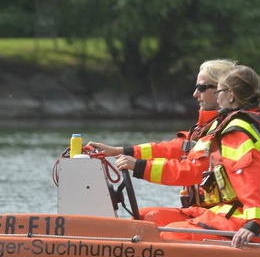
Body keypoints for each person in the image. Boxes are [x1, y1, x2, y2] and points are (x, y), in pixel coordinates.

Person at [116, 65, 260, 247]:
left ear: (230, 95)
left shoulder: (238, 129)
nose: (215, 96)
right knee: (147, 218)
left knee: (168, 237)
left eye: (218, 91)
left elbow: (248, 179)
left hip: (256, 223)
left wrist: (253, 222)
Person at [88, 58, 237, 223]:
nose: (195, 94)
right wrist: (120, 151)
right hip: (208, 212)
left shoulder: (228, 131)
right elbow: (173, 148)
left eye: (201, 88)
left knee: (149, 223)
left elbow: (192, 171)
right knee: (146, 216)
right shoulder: (209, 127)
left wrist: (138, 166)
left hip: (226, 217)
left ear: (223, 90)